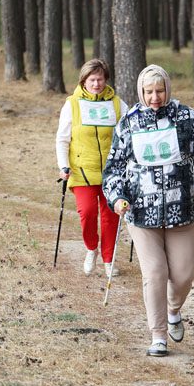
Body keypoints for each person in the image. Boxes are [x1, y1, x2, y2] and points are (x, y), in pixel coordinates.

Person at [102, 64, 194, 357]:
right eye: (149, 91)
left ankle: (173, 309)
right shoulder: (128, 123)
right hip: (141, 213)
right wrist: (117, 198)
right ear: (141, 92)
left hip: (181, 211)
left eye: (160, 90)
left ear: (167, 88)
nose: (155, 97)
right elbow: (113, 168)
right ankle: (158, 336)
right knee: (154, 272)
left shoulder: (186, 117)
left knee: (182, 277)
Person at [56, 59, 128, 278]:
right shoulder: (72, 104)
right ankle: (91, 249)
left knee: (111, 217)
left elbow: (128, 134)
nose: (97, 84)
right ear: (84, 81)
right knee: (87, 213)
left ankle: (108, 259)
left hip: (112, 173)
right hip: (82, 171)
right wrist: (63, 165)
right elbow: (62, 139)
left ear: (106, 79)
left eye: (100, 79)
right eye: (92, 80)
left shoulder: (117, 104)